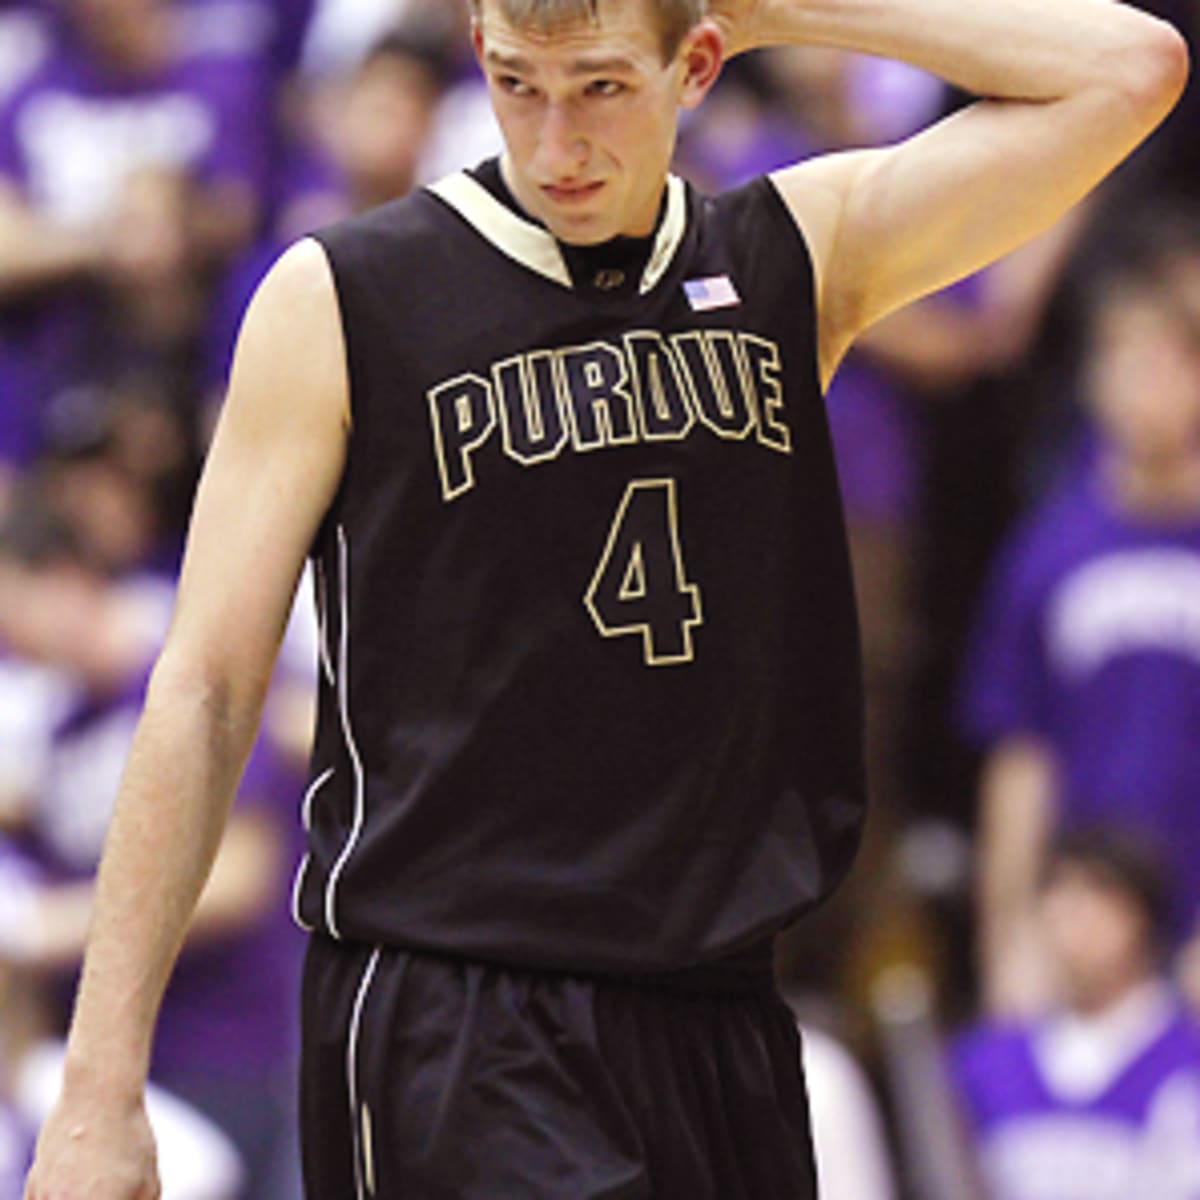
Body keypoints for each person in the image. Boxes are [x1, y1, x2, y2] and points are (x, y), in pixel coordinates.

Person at [24, 0, 1188, 1197]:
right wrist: (99, 1087)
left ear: (698, 63)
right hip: (458, 1012)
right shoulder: (341, 300)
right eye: (517, 84)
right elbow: (206, 690)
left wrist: (772, 8)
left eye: (601, 88)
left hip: (716, 1016)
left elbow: (1129, 71)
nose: (555, 145)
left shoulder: (790, 253)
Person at [961, 214, 1200, 1016]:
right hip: (1080, 919)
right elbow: (1019, 758)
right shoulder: (1050, 549)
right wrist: (1009, 933)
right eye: (1121, 358)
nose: (1141, 384)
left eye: (1164, 361)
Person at [950, 828, 1200, 1200]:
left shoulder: (1186, 1062)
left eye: (1095, 900)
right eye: (1061, 902)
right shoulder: (985, 1063)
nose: (1073, 926)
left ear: (1142, 919)